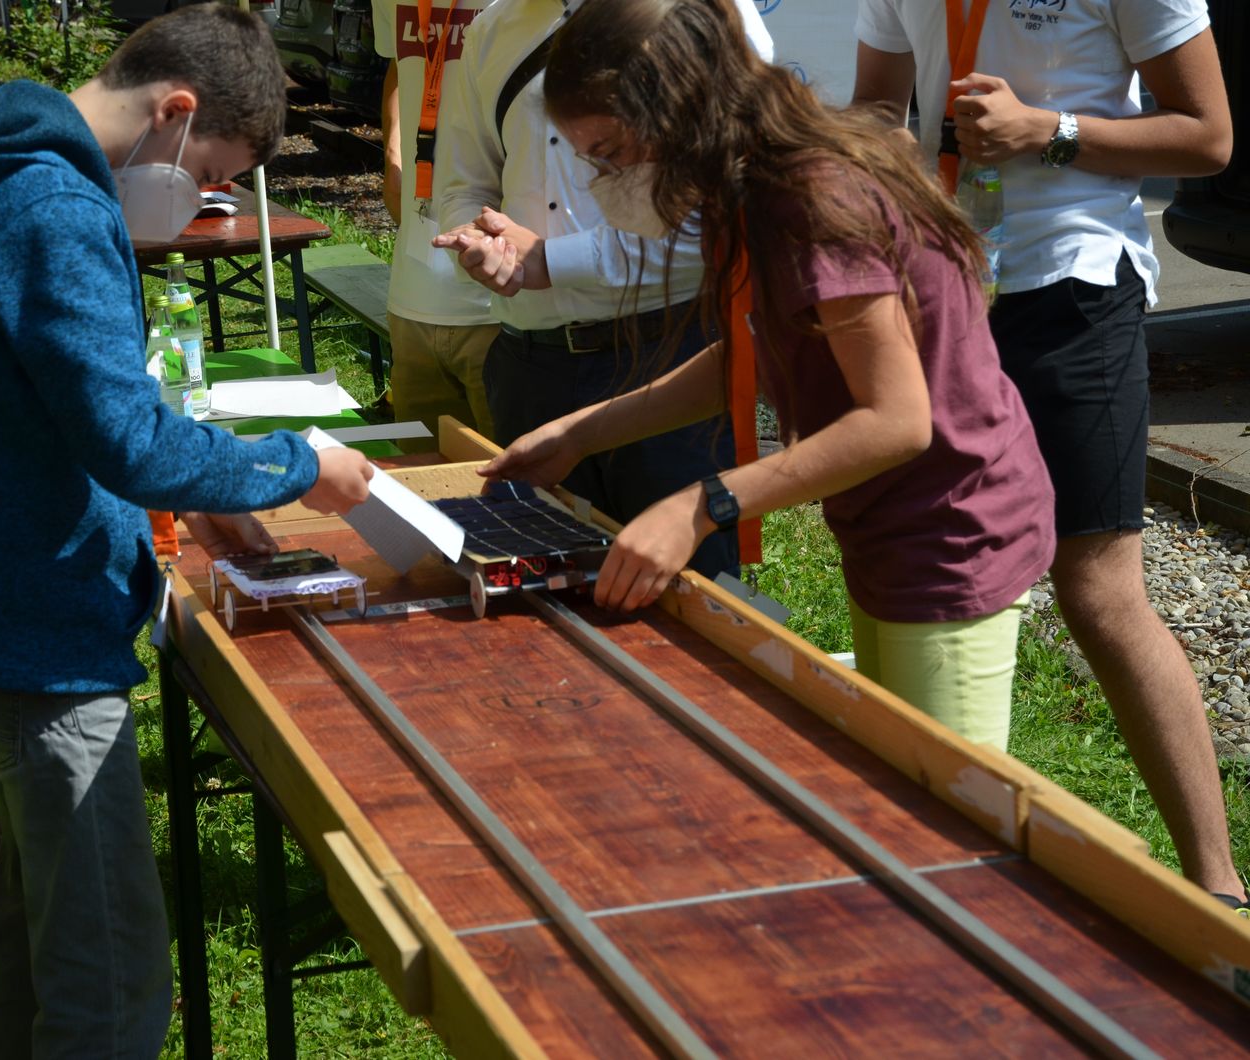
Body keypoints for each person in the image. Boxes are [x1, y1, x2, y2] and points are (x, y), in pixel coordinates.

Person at [0, 7, 374, 1056]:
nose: (201, 198)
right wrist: (300, 464)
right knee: (111, 982)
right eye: (209, 173)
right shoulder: (56, 208)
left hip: (8, 609)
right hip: (42, 637)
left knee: (45, 939)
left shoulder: (13, 172)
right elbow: (125, 440)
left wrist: (194, 494)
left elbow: (56, 413)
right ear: (176, 112)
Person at [484, 0, 1057, 751]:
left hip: (951, 530)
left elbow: (896, 422)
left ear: (677, 112)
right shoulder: (750, 184)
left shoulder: (812, 197)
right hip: (888, 521)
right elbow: (754, 353)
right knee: (889, 769)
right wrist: (578, 434)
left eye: (611, 151)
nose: (604, 178)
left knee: (946, 803)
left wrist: (700, 506)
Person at [853, 0, 1245, 908]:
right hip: (940, 292)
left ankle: (1219, 892)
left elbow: (1209, 138)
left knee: (1097, 588)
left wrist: (1049, 131)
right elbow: (875, 107)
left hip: (1072, 289)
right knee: (927, 563)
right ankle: (934, 870)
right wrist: (875, 150)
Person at [427, 0, 776, 578]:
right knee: (542, 592)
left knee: (688, 596)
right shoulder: (493, 28)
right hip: (533, 367)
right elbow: (464, 184)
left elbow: (714, 219)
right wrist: (480, 242)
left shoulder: (705, 16)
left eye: (608, 155)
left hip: (665, 353)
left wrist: (547, 262)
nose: (599, 181)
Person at [374, 0, 501, 449]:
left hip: (501, 307)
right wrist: (392, 153)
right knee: (422, 476)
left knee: (509, 480)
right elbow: (400, 65)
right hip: (413, 297)